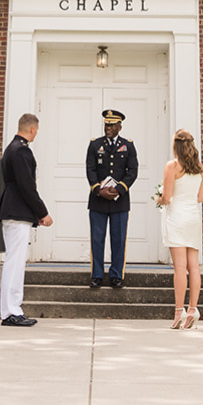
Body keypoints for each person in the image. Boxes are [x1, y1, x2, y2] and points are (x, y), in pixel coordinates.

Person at [0, 113, 52, 326]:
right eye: (36, 131)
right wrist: (42, 212)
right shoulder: (20, 151)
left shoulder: (13, 148)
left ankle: (11, 310)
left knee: (15, 261)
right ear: (32, 130)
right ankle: (11, 311)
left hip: (16, 210)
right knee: (15, 262)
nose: (36, 134)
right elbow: (26, 186)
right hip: (16, 210)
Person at [157, 128, 203, 329]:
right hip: (193, 217)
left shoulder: (172, 166)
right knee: (193, 266)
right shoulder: (200, 168)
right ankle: (193, 309)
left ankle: (179, 312)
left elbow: (167, 198)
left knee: (179, 267)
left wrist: (159, 198)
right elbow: (201, 198)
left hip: (177, 217)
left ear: (175, 145)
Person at [85, 108, 138, 289]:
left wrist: (119, 189)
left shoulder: (128, 145)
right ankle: (97, 275)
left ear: (119, 127)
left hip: (120, 201)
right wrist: (98, 190)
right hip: (98, 200)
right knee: (97, 239)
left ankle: (116, 275)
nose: (108, 128)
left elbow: (133, 171)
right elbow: (90, 169)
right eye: (106, 124)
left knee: (118, 239)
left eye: (112, 125)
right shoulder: (95, 145)